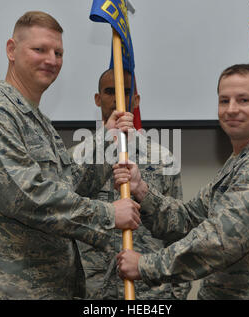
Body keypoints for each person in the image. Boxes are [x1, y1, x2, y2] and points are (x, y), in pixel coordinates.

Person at [0, 11, 141, 299]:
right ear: (11, 50)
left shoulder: (37, 121)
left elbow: (68, 184)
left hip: (46, 288)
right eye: (39, 49)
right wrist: (107, 214)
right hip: (4, 288)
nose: (51, 60)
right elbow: (26, 196)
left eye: (58, 52)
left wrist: (109, 141)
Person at [114, 64, 249, 299]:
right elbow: (187, 221)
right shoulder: (240, 162)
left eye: (243, 100)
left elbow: (221, 241)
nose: (231, 109)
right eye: (224, 100)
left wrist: (146, 265)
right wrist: (142, 191)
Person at [74, 69, 191, 300]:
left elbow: (178, 232)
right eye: (110, 91)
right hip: (94, 293)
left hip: (150, 293)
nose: (118, 99)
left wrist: (177, 295)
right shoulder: (77, 158)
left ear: (136, 100)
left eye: (126, 92)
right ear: (97, 99)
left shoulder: (162, 159)